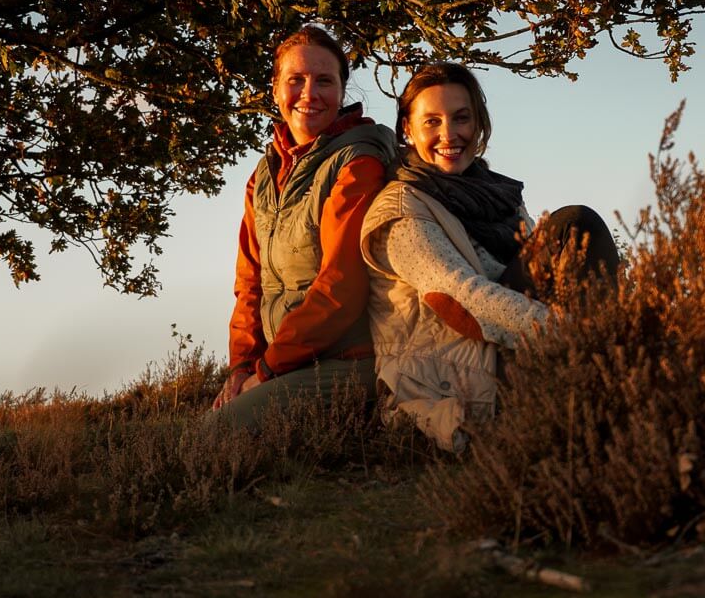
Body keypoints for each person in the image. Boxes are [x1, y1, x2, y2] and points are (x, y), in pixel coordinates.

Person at [360, 62, 619, 452]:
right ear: (408, 130)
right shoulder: (401, 209)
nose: (449, 134)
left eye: (461, 118)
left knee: (575, 226)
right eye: (432, 122)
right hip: (453, 372)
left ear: (478, 124)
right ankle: (601, 385)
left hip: (505, 347)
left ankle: (602, 388)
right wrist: (575, 338)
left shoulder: (495, 195)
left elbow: (546, 279)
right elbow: (459, 300)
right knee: (573, 228)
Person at [211, 25, 397, 428]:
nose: (309, 94)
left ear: (342, 92)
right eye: (295, 80)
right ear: (276, 89)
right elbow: (250, 284)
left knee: (216, 436)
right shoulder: (263, 175)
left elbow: (341, 288)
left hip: (346, 361)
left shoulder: (357, 163)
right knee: (204, 432)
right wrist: (241, 367)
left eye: (324, 81)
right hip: (285, 364)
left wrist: (265, 372)